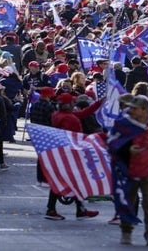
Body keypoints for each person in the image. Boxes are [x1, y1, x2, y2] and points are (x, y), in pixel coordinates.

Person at [111, 95, 148, 247]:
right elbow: (113, 142)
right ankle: (126, 231)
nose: (130, 110)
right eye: (130, 107)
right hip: (129, 170)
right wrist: (127, 149)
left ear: (145, 110)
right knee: (128, 202)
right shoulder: (124, 124)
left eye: (134, 108)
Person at [44, 92, 102, 221]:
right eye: (72, 102)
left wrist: (99, 103)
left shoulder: (59, 115)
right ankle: (53, 209)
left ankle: (76, 209)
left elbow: (83, 114)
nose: (74, 104)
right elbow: (72, 136)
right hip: (70, 153)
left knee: (69, 180)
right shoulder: (69, 118)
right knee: (71, 180)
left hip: (62, 152)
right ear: (69, 104)